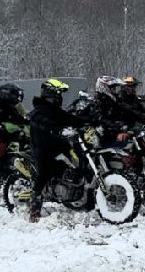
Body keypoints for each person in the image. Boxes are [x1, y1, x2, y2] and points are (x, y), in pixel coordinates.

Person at [28, 78, 98, 222]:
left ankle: (80, 197)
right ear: (50, 94)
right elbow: (44, 123)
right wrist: (58, 129)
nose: (60, 97)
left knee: (78, 165)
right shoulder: (38, 111)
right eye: (58, 94)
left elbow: (71, 118)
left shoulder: (56, 110)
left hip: (59, 147)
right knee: (44, 174)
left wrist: (88, 122)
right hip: (43, 149)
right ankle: (34, 209)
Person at [0, 83, 29, 181]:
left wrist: (29, 121)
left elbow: (22, 118)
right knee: (0, 148)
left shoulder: (14, 107)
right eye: (14, 94)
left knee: (28, 144)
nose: (17, 97)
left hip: (14, 134)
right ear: (6, 95)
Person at [94, 75, 145, 142]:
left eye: (134, 87)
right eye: (131, 86)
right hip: (112, 133)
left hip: (124, 129)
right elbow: (100, 119)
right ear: (125, 87)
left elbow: (134, 111)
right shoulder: (103, 101)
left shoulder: (132, 99)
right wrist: (117, 126)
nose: (133, 89)